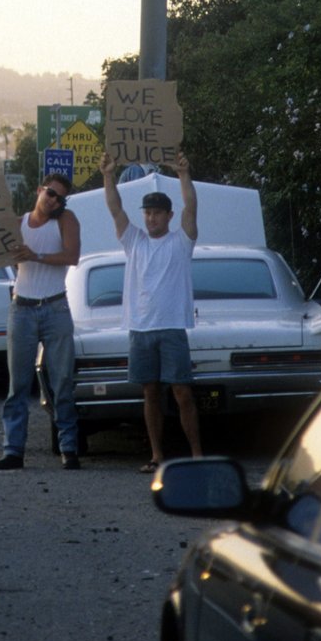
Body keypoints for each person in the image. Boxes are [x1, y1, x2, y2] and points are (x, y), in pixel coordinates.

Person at [99, 150, 202, 473]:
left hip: (172, 327)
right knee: (150, 393)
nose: (151, 218)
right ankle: (157, 456)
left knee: (182, 393)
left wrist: (184, 174)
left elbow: (191, 208)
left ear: (168, 215)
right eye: (148, 213)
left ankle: (198, 456)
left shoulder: (182, 241)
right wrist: (107, 175)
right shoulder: (134, 241)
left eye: (158, 213)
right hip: (140, 328)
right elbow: (115, 209)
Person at [0, 173, 82, 471]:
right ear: (39, 190)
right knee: (18, 383)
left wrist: (36, 254)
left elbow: (72, 255)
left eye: (60, 197)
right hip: (22, 308)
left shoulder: (65, 220)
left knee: (62, 381)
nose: (54, 200)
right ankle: (13, 450)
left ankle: (68, 447)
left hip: (55, 306)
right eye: (50, 193)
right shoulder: (18, 224)